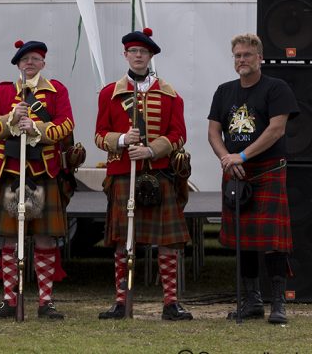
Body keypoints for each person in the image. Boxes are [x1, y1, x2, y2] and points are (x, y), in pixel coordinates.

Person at [95, 28, 193, 321]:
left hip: (160, 174)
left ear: (150, 56)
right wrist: (123, 141)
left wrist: (151, 150)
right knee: (123, 242)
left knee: (167, 242)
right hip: (124, 174)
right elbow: (99, 136)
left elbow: (179, 135)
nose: (138, 56)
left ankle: (170, 303)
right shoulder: (109, 93)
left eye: (143, 52)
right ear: (125, 55)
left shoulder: (170, 94)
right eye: (133, 51)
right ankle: (122, 301)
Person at [0, 40, 73, 320]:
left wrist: (36, 127)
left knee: (44, 239)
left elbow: (66, 125)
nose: (29, 63)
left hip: (42, 173)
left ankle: (45, 301)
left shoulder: (57, 91)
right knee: (8, 240)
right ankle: (10, 300)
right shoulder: (3, 91)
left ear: (43, 63)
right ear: (18, 64)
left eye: (35, 59)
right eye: (24, 59)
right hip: (11, 172)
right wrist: (10, 119)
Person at [207, 33, 298, 325]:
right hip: (236, 173)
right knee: (243, 240)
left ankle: (278, 303)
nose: (241, 60)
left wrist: (241, 156)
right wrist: (227, 159)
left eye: (247, 55)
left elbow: (276, 130)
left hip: (266, 170)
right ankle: (252, 301)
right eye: (237, 55)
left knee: (274, 241)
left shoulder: (276, 88)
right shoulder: (224, 91)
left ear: (259, 57)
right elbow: (213, 132)